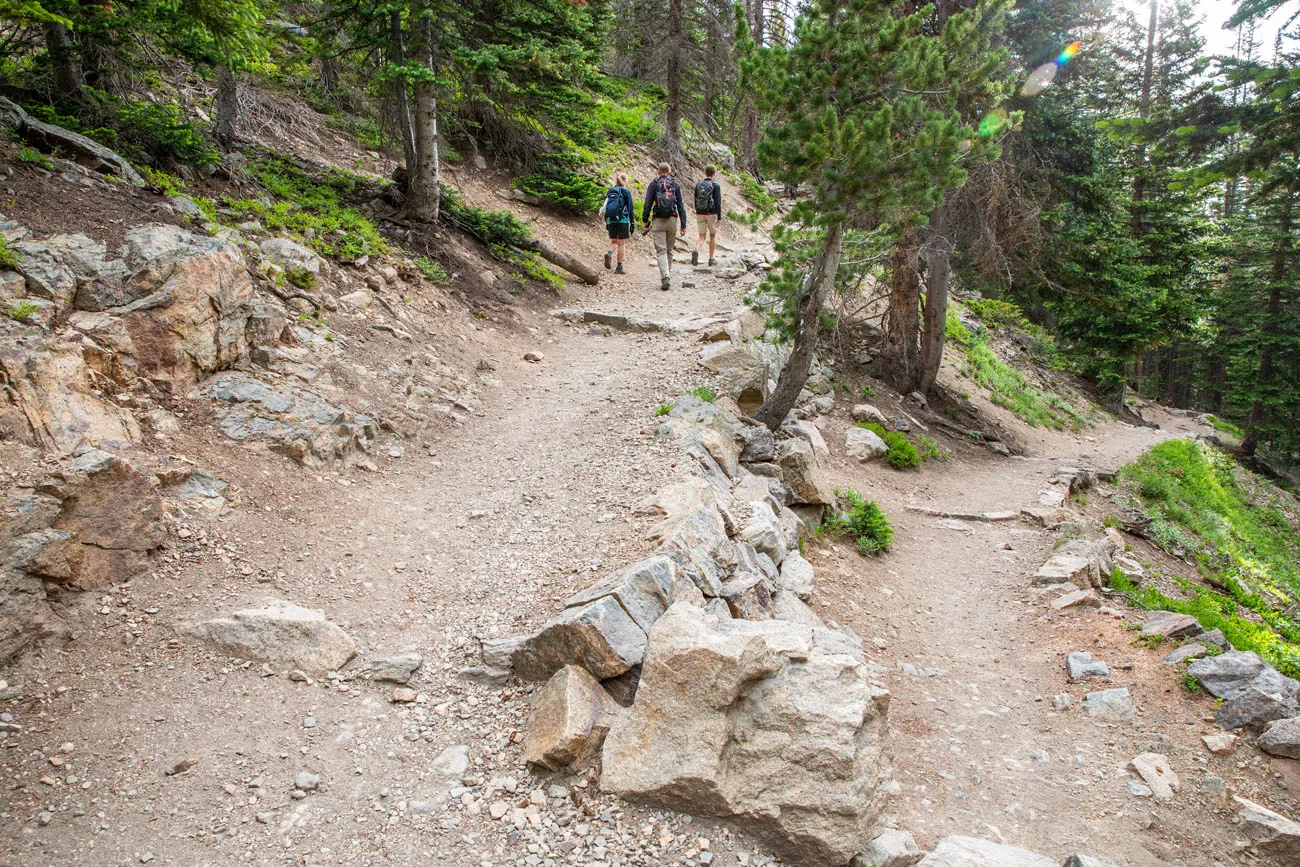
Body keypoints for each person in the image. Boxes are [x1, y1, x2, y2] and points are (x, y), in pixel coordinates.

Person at [642, 162, 687, 291]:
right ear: (669, 172)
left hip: (658, 220)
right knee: (669, 250)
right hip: (672, 219)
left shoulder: (654, 184)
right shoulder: (675, 184)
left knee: (661, 250)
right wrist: (683, 224)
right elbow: (681, 206)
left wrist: (645, 220)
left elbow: (647, 203)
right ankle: (667, 275)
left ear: (658, 172)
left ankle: (665, 276)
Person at [600, 172, 634, 274]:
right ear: (625, 181)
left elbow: (605, 207)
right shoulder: (625, 192)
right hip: (622, 220)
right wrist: (632, 223)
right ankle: (619, 267)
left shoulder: (611, 191)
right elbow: (630, 208)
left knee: (614, 242)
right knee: (621, 244)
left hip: (611, 220)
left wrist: (607, 222)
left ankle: (609, 253)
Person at [691, 164, 723, 267]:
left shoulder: (699, 184)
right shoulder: (716, 185)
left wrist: (697, 210)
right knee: (712, 235)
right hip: (711, 213)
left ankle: (696, 250)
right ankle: (711, 259)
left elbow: (695, 199)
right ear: (714, 173)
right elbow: (718, 203)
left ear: (705, 172)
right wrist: (719, 217)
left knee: (702, 236)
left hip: (700, 212)